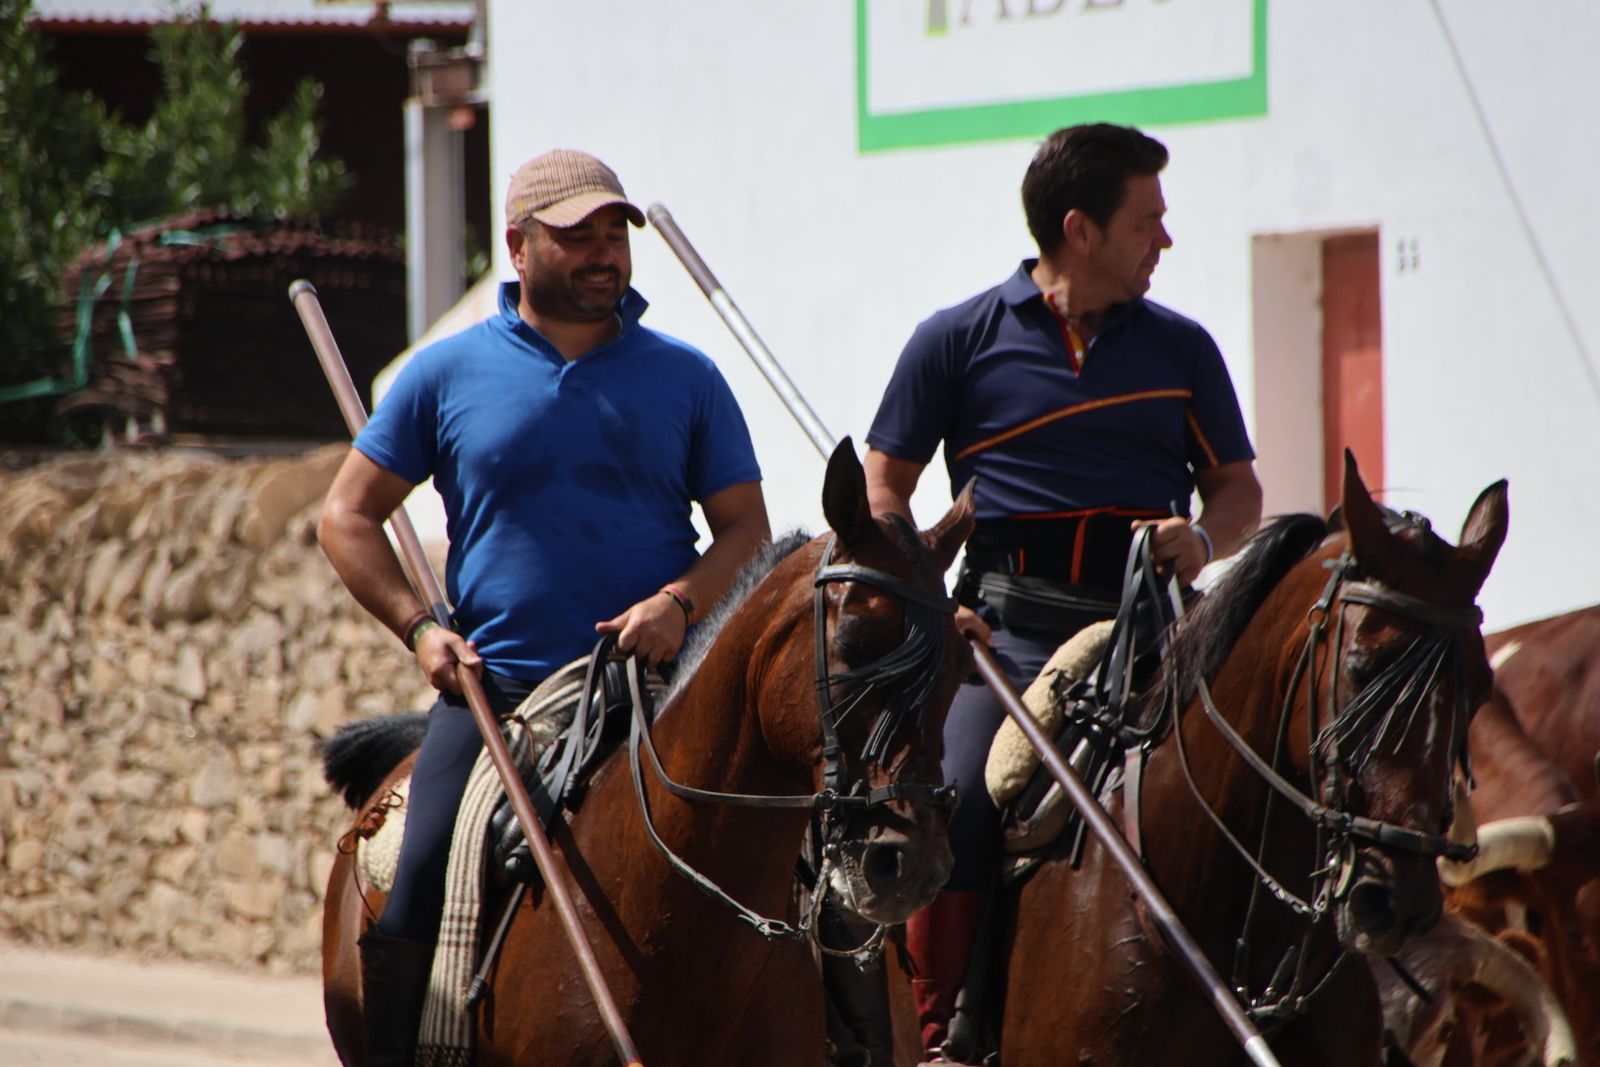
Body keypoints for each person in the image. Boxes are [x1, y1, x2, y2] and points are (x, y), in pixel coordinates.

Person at [317, 148, 771, 1066]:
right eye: (579, 236)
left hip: (666, 687)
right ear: (518, 247)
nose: (606, 252)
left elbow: (745, 534)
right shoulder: (443, 375)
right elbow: (347, 516)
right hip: (504, 695)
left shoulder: (687, 378)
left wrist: (681, 604)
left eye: (616, 234)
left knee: (801, 854)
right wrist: (421, 629)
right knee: (417, 875)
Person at [863, 123, 1263, 1064]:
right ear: (1080, 230)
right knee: (954, 796)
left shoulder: (1183, 349)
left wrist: (1202, 538)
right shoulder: (954, 340)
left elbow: (1239, 492)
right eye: (1148, 220)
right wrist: (927, 601)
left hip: (1156, 635)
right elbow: (884, 487)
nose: (1165, 239)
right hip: (1004, 637)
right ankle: (946, 1033)